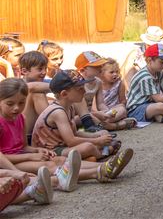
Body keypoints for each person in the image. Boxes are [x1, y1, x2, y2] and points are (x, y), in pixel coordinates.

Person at [0, 78, 129, 186]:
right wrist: (30, 156)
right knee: (49, 166)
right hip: (7, 164)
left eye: (21, 103)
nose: (16, 108)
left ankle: (104, 166)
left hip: (21, 157)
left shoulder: (21, 118)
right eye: (10, 104)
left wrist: (38, 151)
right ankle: (97, 172)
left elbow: (24, 147)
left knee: (61, 160)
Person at [32, 70, 121, 160]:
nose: (85, 91)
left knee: (103, 133)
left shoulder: (69, 107)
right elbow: (71, 141)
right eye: (80, 89)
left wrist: (97, 135)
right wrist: (97, 141)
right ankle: (103, 153)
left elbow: (75, 134)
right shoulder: (58, 112)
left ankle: (89, 157)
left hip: (63, 145)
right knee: (88, 147)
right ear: (64, 94)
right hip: (51, 150)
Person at [94, 58, 136, 130]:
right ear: (102, 73)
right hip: (101, 111)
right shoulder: (97, 84)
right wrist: (104, 112)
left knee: (122, 109)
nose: (115, 74)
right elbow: (95, 106)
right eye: (111, 72)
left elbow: (122, 100)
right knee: (92, 116)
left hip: (114, 111)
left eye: (117, 72)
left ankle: (103, 124)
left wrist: (120, 106)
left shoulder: (119, 84)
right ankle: (116, 125)